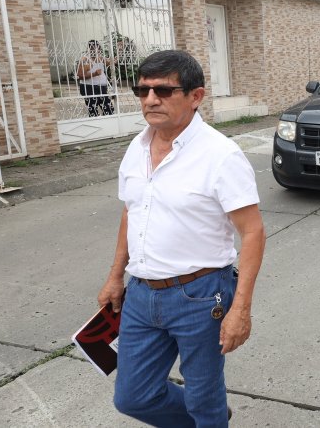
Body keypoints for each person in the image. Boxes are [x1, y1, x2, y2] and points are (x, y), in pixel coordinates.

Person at [98, 50, 265, 427]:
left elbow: (253, 232)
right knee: (133, 397)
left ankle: (209, 416)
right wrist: (115, 276)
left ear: (196, 96)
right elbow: (131, 210)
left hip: (200, 295)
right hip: (141, 294)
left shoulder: (220, 155)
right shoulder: (136, 148)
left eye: (163, 90)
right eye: (142, 90)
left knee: (203, 396)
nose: (150, 99)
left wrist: (241, 309)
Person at [77, 39, 116, 117]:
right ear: (89, 49)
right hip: (89, 88)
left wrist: (118, 51)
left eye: (97, 48)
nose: (95, 50)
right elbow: (80, 76)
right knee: (93, 111)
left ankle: (109, 125)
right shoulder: (85, 60)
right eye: (92, 48)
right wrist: (94, 74)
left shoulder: (100, 58)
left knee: (108, 110)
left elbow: (110, 62)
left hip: (102, 88)